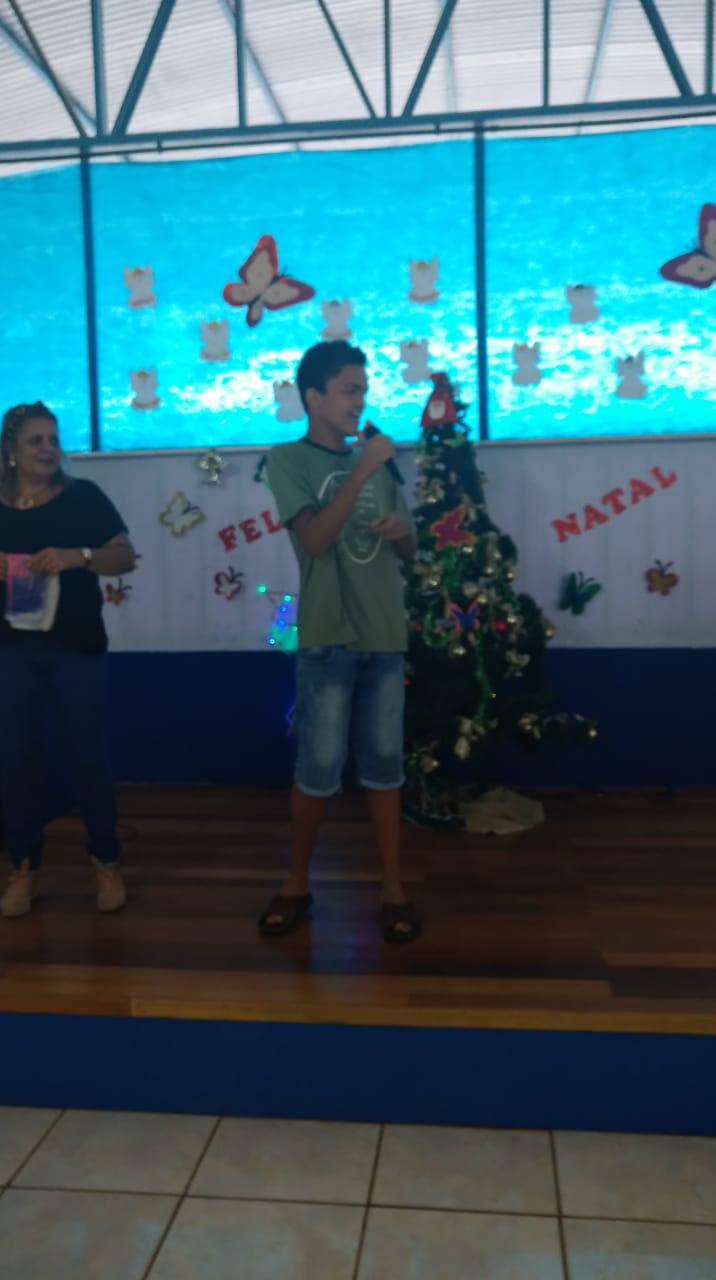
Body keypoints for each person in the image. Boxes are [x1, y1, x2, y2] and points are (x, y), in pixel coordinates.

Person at [0, 401, 137, 918]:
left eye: (53, 440)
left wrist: (81, 557)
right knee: (17, 758)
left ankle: (106, 861)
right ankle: (23, 867)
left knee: (87, 753)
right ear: (10, 450)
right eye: (36, 440)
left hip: (76, 645)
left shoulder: (84, 498)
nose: (48, 449)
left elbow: (125, 557)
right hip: (5, 649)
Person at [259, 341, 421, 943]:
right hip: (328, 637)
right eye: (350, 390)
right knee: (319, 767)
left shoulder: (375, 460)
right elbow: (316, 539)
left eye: (364, 391)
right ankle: (296, 883)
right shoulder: (286, 459)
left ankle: (393, 890)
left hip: (384, 634)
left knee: (384, 767)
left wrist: (400, 531)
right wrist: (361, 470)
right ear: (314, 397)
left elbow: (410, 549)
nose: (361, 402)